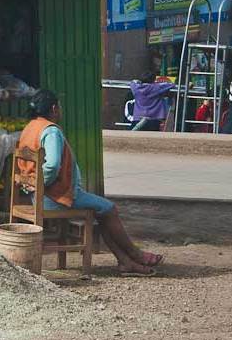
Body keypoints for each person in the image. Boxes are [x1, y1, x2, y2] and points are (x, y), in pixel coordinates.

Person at [18, 89, 162, 276]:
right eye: (59, 107)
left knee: (101, 212)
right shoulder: (50, 131)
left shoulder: (30, 127)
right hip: (54, 197)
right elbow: (52, 166)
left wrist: (34, 186)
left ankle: (125, 261)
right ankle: (135, 254)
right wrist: (41, 185)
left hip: (37, 196)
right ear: (54, 109)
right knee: (109, 209)